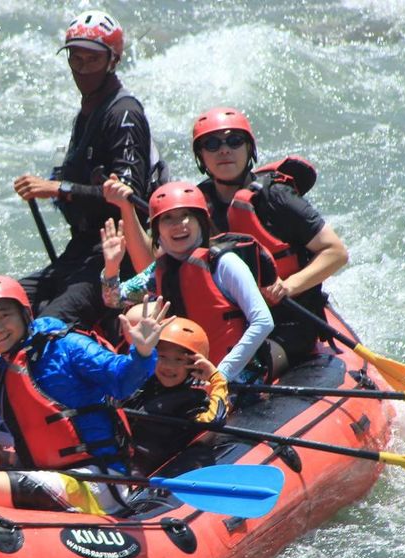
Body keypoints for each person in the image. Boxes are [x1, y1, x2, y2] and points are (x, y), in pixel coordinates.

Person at [0, 275, 172, 514]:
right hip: (48, 473)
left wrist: (143, 353)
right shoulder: (0, 371)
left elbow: (121, 381)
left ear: (25, 314)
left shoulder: (68, 346)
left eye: (4, 316)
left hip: (98, 478)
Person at [12, 10, 167, 331]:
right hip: (81, 249)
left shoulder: (124, 113)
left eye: (92, 60)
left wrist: (58, 189)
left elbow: (127, 196)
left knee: (48, 324)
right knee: (5, 304)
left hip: (116, 257)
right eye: (75, 59)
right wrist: (56, 185)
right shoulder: (88, 112)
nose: (82, 69)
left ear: (113, 60)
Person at [190, 107, 349, 363]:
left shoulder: (277, 197)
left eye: (234, 141)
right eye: (211, 144)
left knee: (243, 369)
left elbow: (336, 252)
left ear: (249, 149)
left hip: (289, 323)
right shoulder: (197, 206)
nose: (224, 150)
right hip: (235, 322)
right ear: (201, 157)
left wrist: (287, 286)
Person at [100, 181, 275, 385]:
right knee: (133, 317)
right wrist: (112, 267)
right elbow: (114, 300)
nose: (178, 224)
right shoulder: (159, 270)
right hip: (185, 378)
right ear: (157, 230)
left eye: (186, 215)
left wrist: (220, 374)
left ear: (200, 221)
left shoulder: (224, 264)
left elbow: (263, 322)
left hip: (236, 376)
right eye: (167, 218)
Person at [123, 317, 229, 476]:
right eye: (163, 356)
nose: (168, 366)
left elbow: (215, 421)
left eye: (179, 359)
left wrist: (216, 378)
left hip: (145, 475)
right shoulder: (144, 383)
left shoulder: (192, 400)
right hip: (120, 460)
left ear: (194, 365)